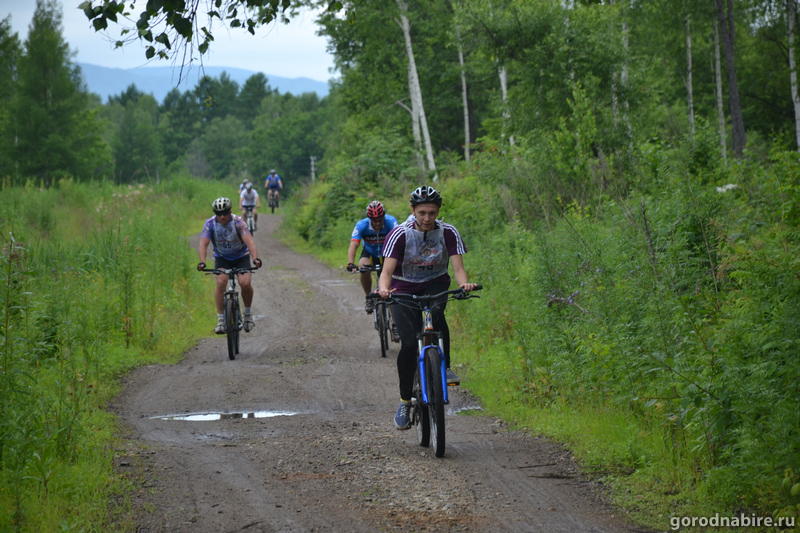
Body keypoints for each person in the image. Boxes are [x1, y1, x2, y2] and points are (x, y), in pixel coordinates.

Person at [377, 186, 478, 430]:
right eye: (422, 212)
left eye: (432, 213)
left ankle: (446, 367)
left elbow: (458, 268)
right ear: (412, 210)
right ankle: (404, 401)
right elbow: (387, 271)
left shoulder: (448, 232)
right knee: (410, 344)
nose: (427, 218)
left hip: (435, 285)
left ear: (438, 211)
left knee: (437, 317)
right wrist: (383, 289)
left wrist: (464, 283)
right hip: (403, 289)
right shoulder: (400, 234)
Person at [196, 197, 263, 334]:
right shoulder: (210, 224)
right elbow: (203, 243)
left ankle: (248, 315)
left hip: (241, 257)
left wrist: (255, 258)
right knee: (221, 282)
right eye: (218, 213)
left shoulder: (238, 222)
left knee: (245, 283)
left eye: (225, 213)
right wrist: (202, 261)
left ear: (230, 211)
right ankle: (221, 320)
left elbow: (250, 242)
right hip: (222, 258)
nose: (222, 216)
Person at [346, 200, 398, 313]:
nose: (377, 223)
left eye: (380, 219)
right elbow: (354, 244)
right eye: (374, 220)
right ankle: (368, 297)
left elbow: (399, 241)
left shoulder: (391, 222)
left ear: (383, 216)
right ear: (369, 218)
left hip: (387, 253)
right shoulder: (361, 225)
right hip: (369, 252)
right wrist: (350, 263)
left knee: (395, 272)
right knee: (363, 267)